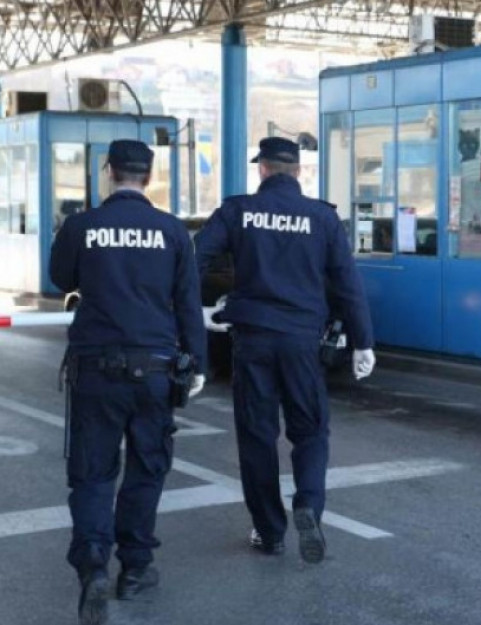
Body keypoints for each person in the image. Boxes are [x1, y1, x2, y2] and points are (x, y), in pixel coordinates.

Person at [194, 137, 375, 564]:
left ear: (262, 169)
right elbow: (348, 284)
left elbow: (193, 259)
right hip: (301, 342)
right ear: (298, 171)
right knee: (310, 430)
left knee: (257, 435)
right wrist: (363, 341)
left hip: (253, 339)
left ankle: (270, 531)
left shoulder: (237, 210)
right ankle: (308, 504)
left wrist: (197, 311)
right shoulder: (322, 217)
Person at [49, 140, 207, 625]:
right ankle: (135, 568)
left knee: (93, 472)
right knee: (146, 468)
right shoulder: (173, 231)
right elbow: (187, 303)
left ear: (109, 171)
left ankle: (94, 562)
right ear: (149, 174)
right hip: (156, 369)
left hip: (95, 370)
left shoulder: (82, 226)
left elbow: (60, 279)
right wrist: (197, 365)